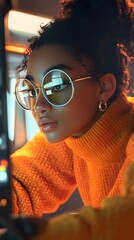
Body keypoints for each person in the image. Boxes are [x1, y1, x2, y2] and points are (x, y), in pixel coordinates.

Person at [4, 0, 134, 238]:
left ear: (103, 87)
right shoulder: (73, 136)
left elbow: (128, 217)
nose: (39, 105)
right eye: (31, 90)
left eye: (56, 84)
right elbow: (17, 186)